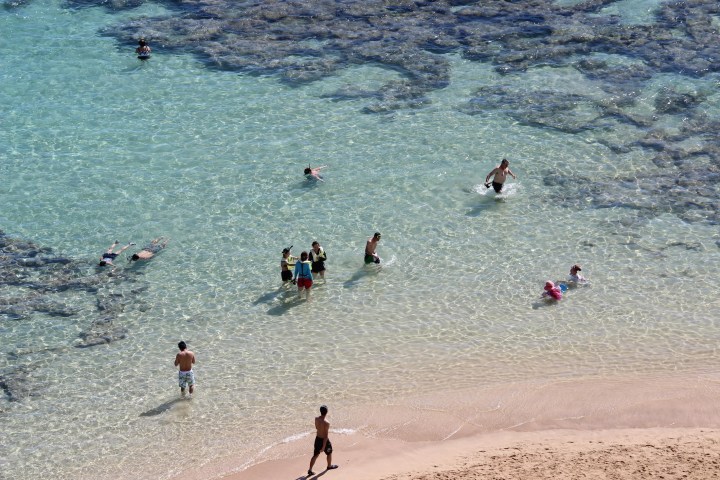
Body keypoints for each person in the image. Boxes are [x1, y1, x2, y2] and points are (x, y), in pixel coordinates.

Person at [308, 405, 339, 476]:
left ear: (320, 411)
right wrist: (323, 447)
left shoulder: (316, 419)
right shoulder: (326, 423)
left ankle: (310, 469)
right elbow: (325, 436)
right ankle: (329, 466)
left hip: (317, 439)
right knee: (329, 453)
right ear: (327, 412)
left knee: (315, 455)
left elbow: (316, 427)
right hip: (324, 441)